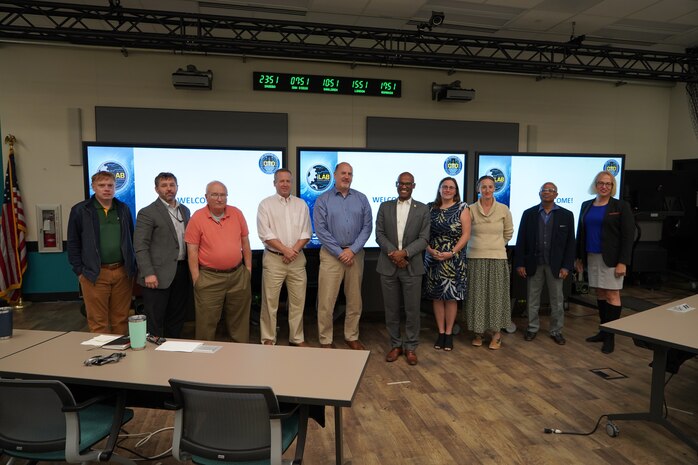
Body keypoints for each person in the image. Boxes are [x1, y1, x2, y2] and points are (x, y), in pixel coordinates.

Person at [67, 170, 136, 334]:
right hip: (94, 274)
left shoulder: (123, 209)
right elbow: (73, 243)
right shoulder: (81, 210)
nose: (107, 189)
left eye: (110, 185)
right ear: (93, 187)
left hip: (122, 272)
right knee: (98, 321)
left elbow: (131, 239)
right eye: (102, 185)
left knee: (121, 318)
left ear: (115, 187)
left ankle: (122, 355)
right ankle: (103, 356)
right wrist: (79, 271)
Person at [313, 162, 372, 350]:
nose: (347, 176)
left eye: (350, 173)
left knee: (355, 299)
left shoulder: (362, 199)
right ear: (335, 175)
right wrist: (340, 252)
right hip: (331, 255)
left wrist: (352, 250)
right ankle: (325, 339)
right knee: (326, 300)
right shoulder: (323, 199)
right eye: (343, 173)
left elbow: (367, 227)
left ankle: (351, 335)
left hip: (355, 255)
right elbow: (320, 230)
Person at [184, 181, 252, 342]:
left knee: (240, 322)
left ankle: (240, 355)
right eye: (214, 194)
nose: (219, 198)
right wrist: (196, 279)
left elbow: (245, 243)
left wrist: (248, 269)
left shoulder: (237, 213)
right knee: (206, 324)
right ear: (206, 197)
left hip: (238, 275)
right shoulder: (197, 218)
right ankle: (205, 361)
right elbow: (192, 251)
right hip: (209, 278)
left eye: (222, 195)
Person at [575, 171, 634, 354]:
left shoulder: (621, 206)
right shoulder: (587, 205)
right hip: (592, 256)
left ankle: (610, 337)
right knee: (600, 293)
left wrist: (623, 262)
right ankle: (603, 330)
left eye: (608, 184)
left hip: (613, 259)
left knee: (612, 295)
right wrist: (578, 258)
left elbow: (628, 236)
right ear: (595, 185)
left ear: (612, 186)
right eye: (601, 183)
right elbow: (581, 233)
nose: (604, 186)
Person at [375, 172, 430, 365]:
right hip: (388, 266)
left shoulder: (423, 209)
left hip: (412, 267)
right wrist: (395, 254)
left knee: (412, 310)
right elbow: (379, 234)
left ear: (413, 186)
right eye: (401, 183)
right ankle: (395, 345)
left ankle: (411, 347)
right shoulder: (385, 206)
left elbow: (424, 239)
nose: (404, 186)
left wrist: (405, 253)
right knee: (391, 310)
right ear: (396, 185)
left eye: (408, 184)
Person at [514, 182, 575, 345]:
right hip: (534, 263)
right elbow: (521, 241)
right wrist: (520, 263)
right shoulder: (529, 214)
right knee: (532, 298)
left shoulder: (566, 215)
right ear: (539, 193)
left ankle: (556, 331)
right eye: (543, 190)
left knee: (557, 300)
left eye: (550, 190)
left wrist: (566, 266)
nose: (546, 192)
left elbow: (570, 244)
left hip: (556, 265)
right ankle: (532, 328)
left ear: (556, 194)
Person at [256, 168, 313, 347]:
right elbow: (265, 234)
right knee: (270, 302)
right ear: (274, 183)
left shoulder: (301, 204)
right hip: (274, 260)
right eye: (281, 181)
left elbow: (306, 232)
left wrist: (292, 251)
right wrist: (285, 250)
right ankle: (268, 338)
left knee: (297, 302)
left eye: (288, 181)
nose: (285, 184)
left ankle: (296, 338)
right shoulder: (265, 205)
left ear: (291, 183)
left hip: (297, 259)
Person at [134, 172, 191, 338]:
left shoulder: (184, 210)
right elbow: (140, 245)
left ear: (177, 187)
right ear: (156, 189)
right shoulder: (148, 212)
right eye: (164, 186)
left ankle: (172, 350)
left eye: (172, 185)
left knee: (177, 316)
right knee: (155, 319)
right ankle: (154, 357)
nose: (169, 189)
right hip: (156, 275)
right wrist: (148, 273)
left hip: (181, 270)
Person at [465, 175, 514, 350]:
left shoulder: (503, 209)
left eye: (490, 187)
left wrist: (496, 246)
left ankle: (496, 334)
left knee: (496, 298)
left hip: (497, 259)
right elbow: (465, 233)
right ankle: (478, 333)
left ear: (495, 189)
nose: (487, 190)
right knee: (477, 297)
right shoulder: (469, 209)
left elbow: (508, 233)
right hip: (475, 259)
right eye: (483, 187)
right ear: (478, 189)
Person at [422, 177, 470, 352]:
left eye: (451, 187)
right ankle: (440, 332)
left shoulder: (462, 208)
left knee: (450, 298)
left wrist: (452, 252)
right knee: (437, 297)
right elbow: (422, 233)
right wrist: (429, 249)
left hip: (454, 259)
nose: (448, 190)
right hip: (433, 257)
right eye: (445, 187)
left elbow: (466, 235)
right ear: (440, 189)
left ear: (456, 191)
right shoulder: (430, 208)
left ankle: (449, 334)